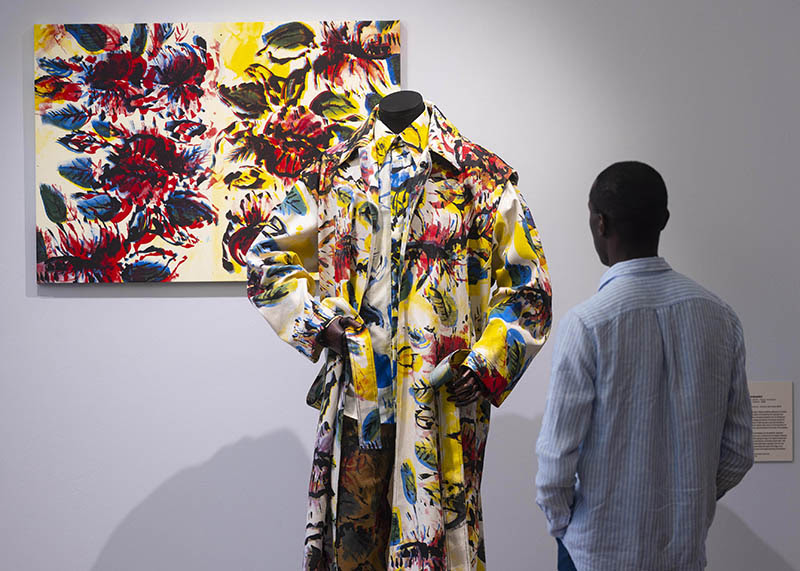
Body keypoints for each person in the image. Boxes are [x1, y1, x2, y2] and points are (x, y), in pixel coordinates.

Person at [247, 93, 552, 570]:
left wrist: (486, 362)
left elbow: (528, 290)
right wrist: (317, 322)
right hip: (357, 404)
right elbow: (267, 262)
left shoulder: (478, 177)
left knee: (437, 546)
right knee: (353, 550)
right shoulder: (331, 175)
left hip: (440, 400)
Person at [535, 161, 753, 571]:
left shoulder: (586, 324)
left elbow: (554, 464)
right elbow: (739, 451)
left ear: (600, 224)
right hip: (683, 554)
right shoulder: (721, 319)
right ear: (664, 220)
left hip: (593, 554)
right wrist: (686, 503)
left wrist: (567, 526)